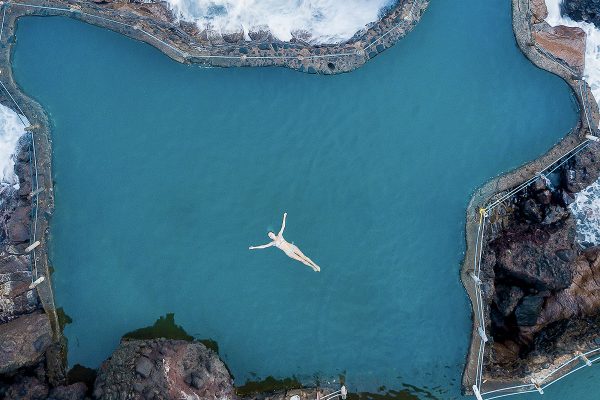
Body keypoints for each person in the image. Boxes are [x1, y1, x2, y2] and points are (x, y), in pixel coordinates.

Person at [249, 212, 320, 272]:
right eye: (269, 236)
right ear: (270, 237)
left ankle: (315, 265)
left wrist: (284, 216)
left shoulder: (280, 235)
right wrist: (254, 247)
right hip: (289, 252)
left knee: (304, 256)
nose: (270, 235)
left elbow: (283, 226)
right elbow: (263, 246)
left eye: (270, 234)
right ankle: (312, 267)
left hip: (292, 247)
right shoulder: (273, 243)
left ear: (273, 233)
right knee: (301, 260)